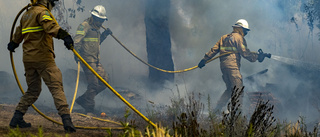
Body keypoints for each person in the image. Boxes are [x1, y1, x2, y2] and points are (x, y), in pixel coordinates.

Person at [7, 0, 76, 133]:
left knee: (33, 90)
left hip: (28, 59)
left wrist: (13, 44)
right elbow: (51, 27)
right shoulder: (43, 12)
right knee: (56, 87)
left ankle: (16, 119)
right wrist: (65, 36)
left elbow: (17, 35)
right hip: (44, 58)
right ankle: (67, 120)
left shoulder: (26, 15)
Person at [197, 19, 271, 111]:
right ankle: (237, 116)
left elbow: (214, 50)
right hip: (233, 68)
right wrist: (257, 57)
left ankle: (216, 110)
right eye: (245, 30)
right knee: (238, 91)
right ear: (240, 29)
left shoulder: (223, 38)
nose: (246, 33)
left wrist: (204, 59)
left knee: (229, 90)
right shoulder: (239, 38)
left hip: (223, 67)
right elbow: (246, 53)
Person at [73, 5, 112, 115]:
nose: (101, 23)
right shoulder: (84, 26)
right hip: (86, 60)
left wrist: (104, 35)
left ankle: (84, 99)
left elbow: (95, 43)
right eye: (100, 20)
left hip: (95, 60)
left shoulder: (96, 29)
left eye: (103, 21)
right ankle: (89, 109)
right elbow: (76, 42)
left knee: (105, 81)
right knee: (93, 84)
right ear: (94, 18)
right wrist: (77, 56)